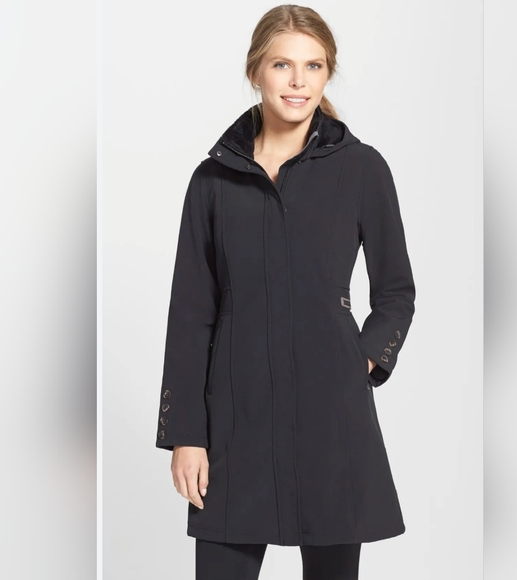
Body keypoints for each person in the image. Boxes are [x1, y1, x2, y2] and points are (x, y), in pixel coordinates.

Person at [154, 4, 416, 579]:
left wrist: (360, 360)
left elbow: (396, 290)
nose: (298, 81)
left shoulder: (362, 169)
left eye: (313, 66)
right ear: (256, 71)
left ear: (327, 74)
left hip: (332, 419)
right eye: (282, 65)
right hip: (235, 422)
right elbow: (191, 315)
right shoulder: (212, 181)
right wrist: (186, 436)